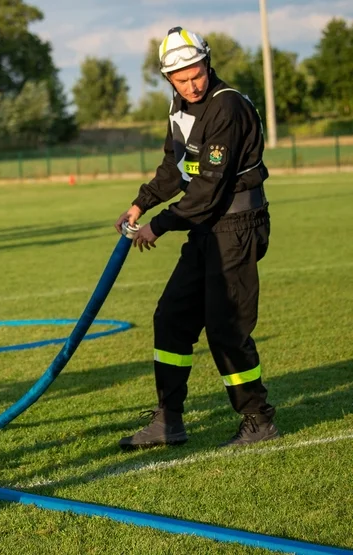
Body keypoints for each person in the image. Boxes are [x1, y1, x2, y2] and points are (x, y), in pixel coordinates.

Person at [116, 27, 277, 450]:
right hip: (208, 228)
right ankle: (168, 419)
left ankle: (257, 418)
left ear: (207, 63)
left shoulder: (226, 108)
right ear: (168, 78)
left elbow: (208, 189)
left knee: (226, 328)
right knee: (171, 318)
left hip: (236, 226)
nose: (192, 84)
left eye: (198, 73)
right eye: (182, 78)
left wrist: (160, 225)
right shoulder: (180, 107)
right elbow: (175, 168)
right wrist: (140, 204)